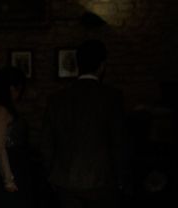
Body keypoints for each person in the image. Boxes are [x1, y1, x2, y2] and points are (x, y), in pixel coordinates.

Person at [40, 39, 127, 208]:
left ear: (78, 65)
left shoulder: (56, 100)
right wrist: (123, 180)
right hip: (102, 181)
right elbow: (120, 143)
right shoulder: (112, 97)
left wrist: (50, 174)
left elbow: (46, 145)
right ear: (102, 66)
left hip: (65, 180)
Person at [0, 65, 30, 207]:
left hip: (16, 164)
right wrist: (8, 179)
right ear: (11, 88)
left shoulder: (5, 109)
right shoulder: (1, 111)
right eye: (18, 88)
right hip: (9, 167)